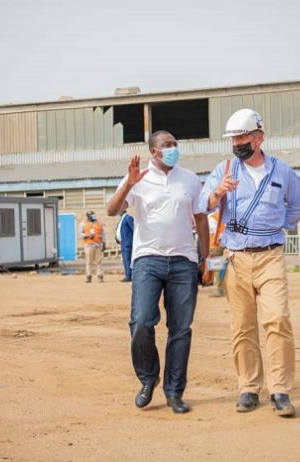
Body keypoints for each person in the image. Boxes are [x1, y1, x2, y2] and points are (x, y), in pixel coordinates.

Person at [199, 109, 300, 417]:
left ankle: (280, 390)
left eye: (242, 138)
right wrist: (218, 192)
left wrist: (276, 225)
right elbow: (202, 204)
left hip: (270, 256)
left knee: (278, 319)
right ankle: (248, 387)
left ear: (259, 137)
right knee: (243, 326)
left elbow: (299, 205)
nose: (236, 144)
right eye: (233, 139)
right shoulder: (225, 169)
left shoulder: (282, 172)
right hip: (236, 258)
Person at [107, 130, 209, 414]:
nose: (173, 148)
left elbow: (201, 219)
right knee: (141, 321)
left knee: (180, 329)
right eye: (167, 144)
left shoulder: (189, 179)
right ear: (154, 151)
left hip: (183, 262)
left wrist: (205, 257)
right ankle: (148, 378)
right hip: (147, 260)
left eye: (175, 143)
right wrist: (129, 183)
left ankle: (174, 392)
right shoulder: (138, 178)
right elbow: (112, 210)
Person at [78, 211, 105, 283]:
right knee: (89, 261)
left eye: (94, 215)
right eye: (92, 215)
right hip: (88, 245)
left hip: (98, 245)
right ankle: (88, 276)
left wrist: (104, 244)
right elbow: (80, 234)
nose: (94, 216)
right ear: (88, 216)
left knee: (99, 261)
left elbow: (103, 234)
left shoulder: (99, 223)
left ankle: (100, 276)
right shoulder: (83, 223)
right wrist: (86, 235)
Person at [115, 208, 134, 282]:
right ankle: (127, 275)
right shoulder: (122, 219)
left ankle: (129, 275)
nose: (118, 212)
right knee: (125, 260)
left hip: (128, 243)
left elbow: (134, 229)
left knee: (128, 259)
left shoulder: (128, 218)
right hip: (123, 243)